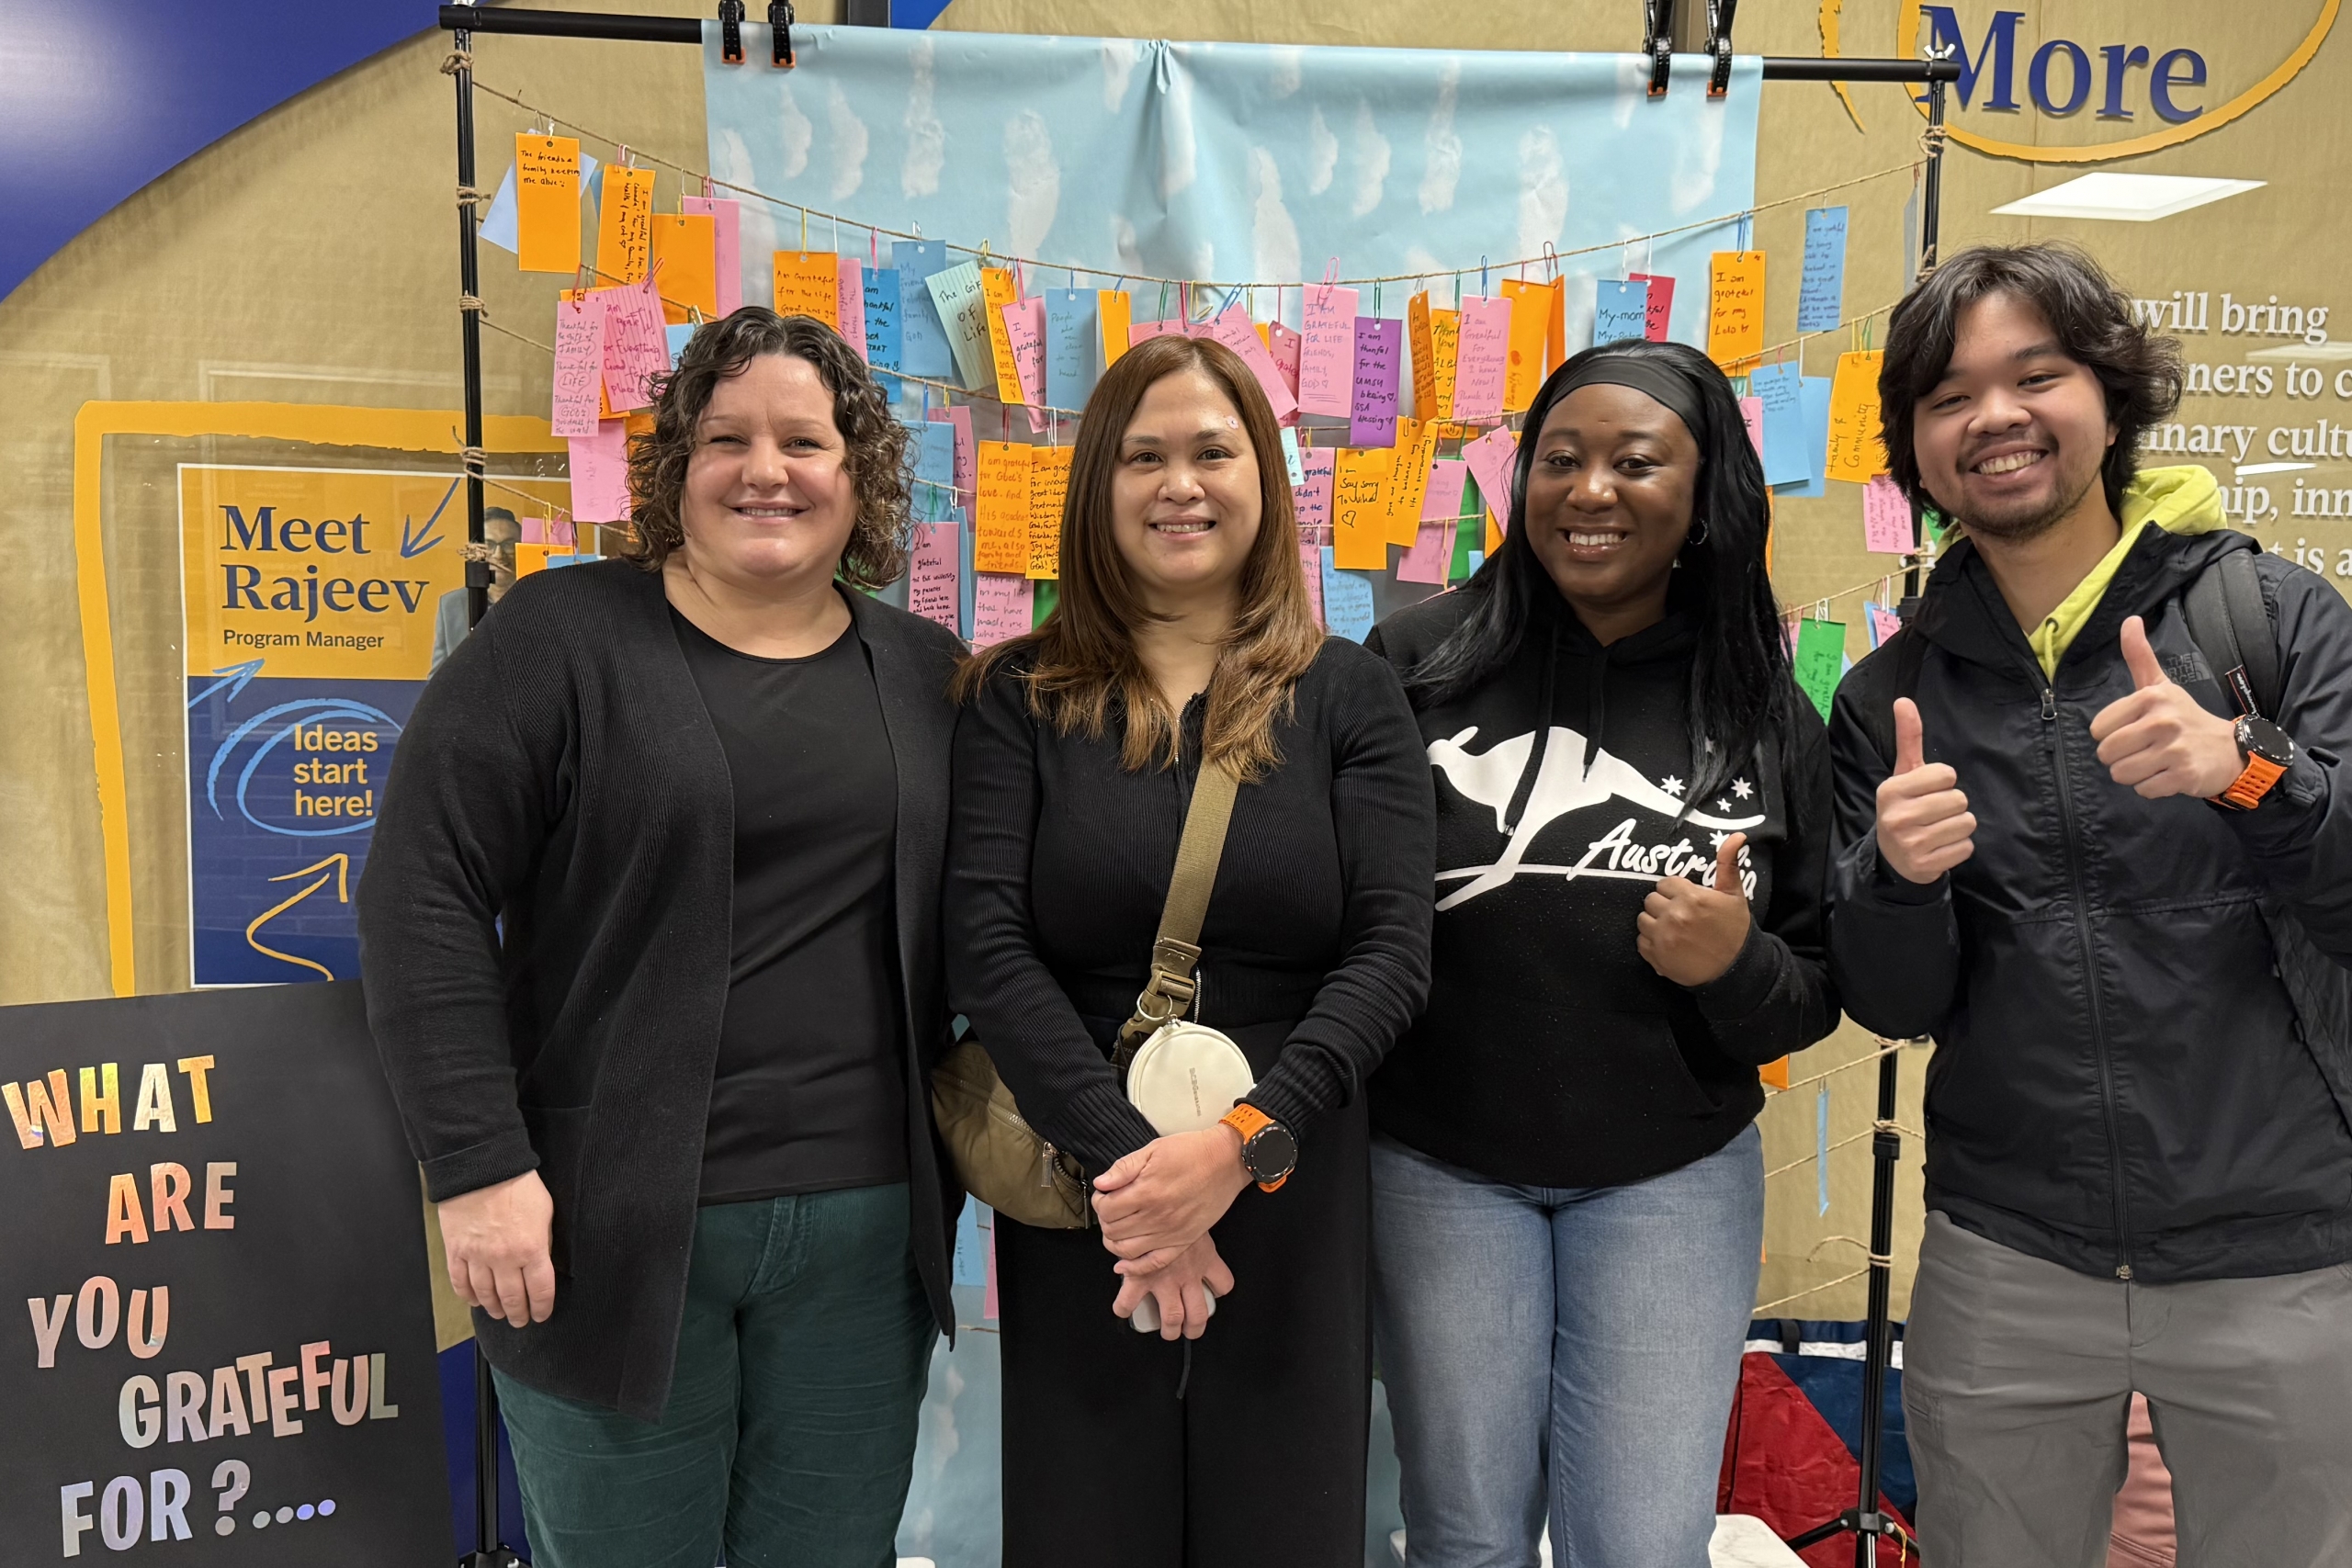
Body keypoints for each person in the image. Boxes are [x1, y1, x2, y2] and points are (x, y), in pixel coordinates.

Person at [358, 308, 967, 1568]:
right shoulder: (557, 641)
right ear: (675, 467)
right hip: (606, 1232)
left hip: (866, 1234)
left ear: (860, 477)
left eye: (806, 439)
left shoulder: (927, 673)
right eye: (726, 436)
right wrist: (475, 1165)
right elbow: (419, 895)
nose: (766, 468)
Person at [1828, 243, 2352, 1565]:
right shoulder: (1892, 691)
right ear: (1917, 448)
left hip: (2282, 1244)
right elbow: (1895, 1005)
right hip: (2010, 1256)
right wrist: (1898, 881)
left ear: (2110, 400)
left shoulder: (2272, 621)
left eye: (2036, 375)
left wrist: (2249, 774)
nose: (1993, 417)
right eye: (1948, 397)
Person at [944, 332, 1433, 1568]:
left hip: (1291, 1167)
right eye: (1144, 454)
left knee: (1288, 1520)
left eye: (1213, 451)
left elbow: (1391, 952)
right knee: (1081, 1521)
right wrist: (1142, 1182)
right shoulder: (1019, 695)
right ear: (1097, 485)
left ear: (1264, 476)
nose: (1181, 483)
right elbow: (987, 943)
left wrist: (1241, 1146)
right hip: (1086, 1178)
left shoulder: (1349, 694)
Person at [1363, 339, 1840, 1568]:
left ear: (1704, 492)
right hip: (1440, 1163)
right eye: (1559, 460)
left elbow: (1814, 988)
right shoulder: (1413, 662)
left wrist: (1735, 964)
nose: (1590, 490)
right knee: (1464, 1535)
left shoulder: (1761, 705)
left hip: (1668, 1176)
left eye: (1635, 462)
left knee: (1638, 1541)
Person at [429, 504, 521, 671]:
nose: (499, 555)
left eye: (509, 544)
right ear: (476, 551)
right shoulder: (451, 605)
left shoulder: (539, 601)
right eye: (490, 545)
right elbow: (438, 678)